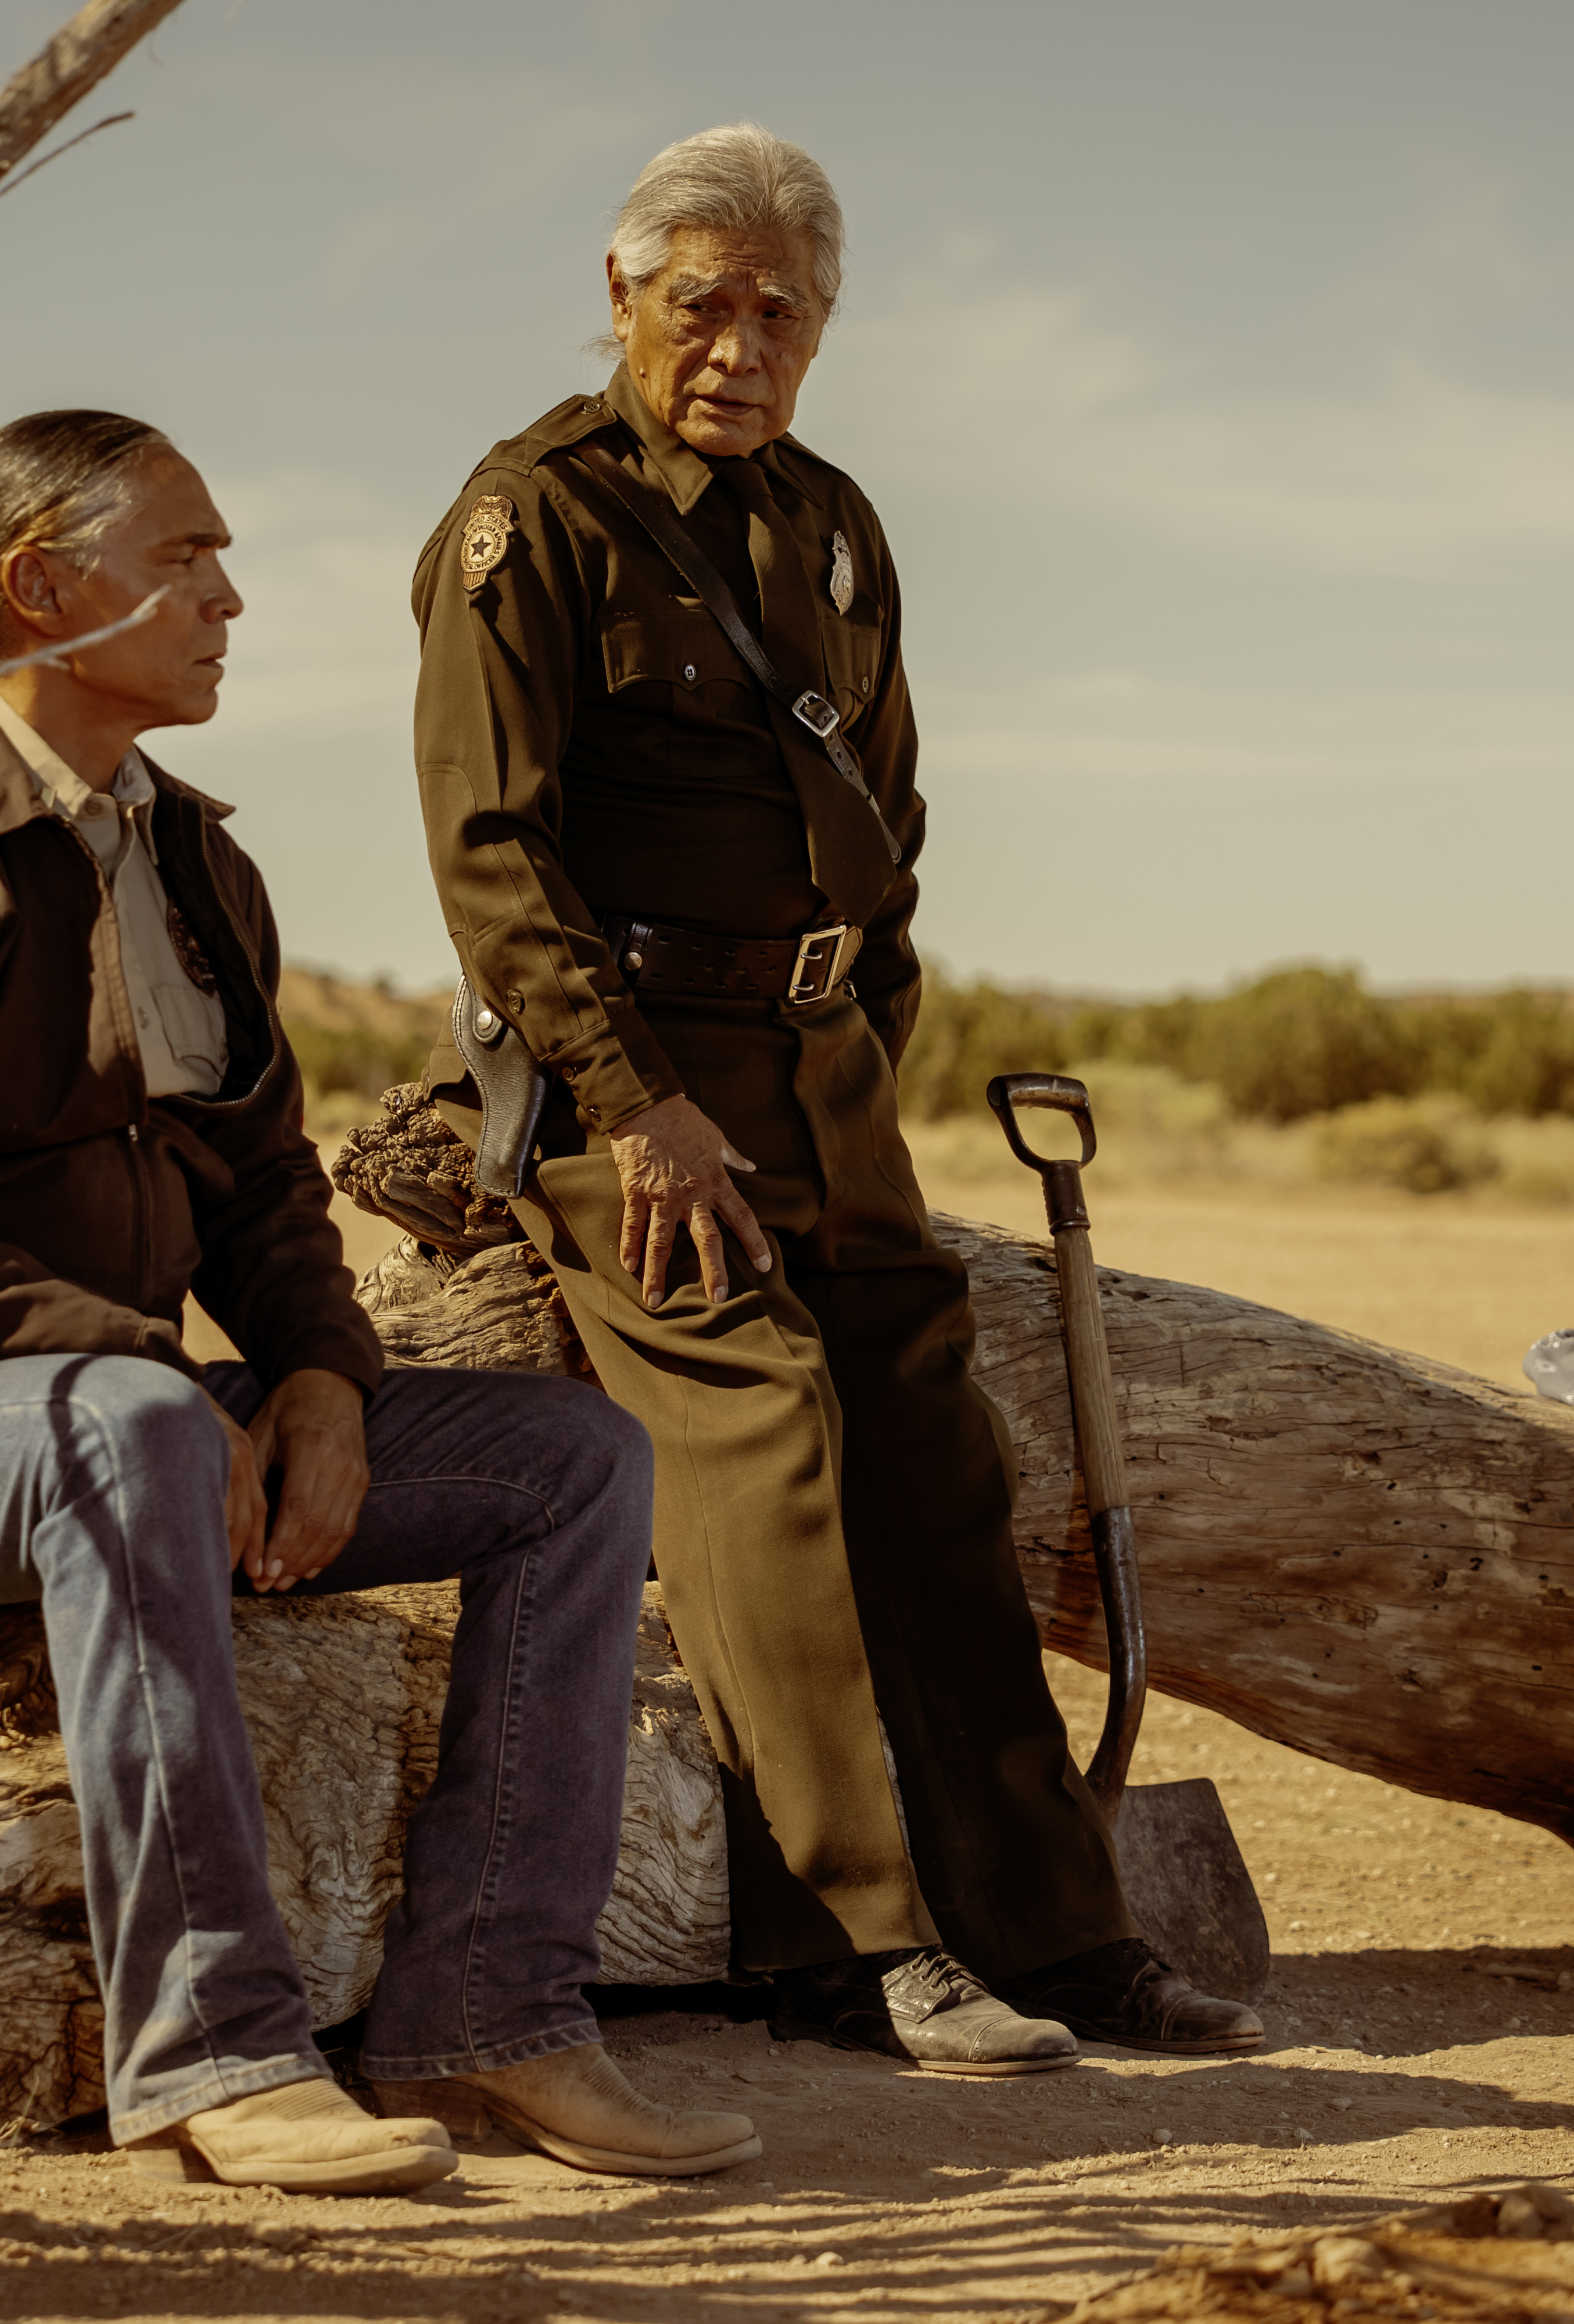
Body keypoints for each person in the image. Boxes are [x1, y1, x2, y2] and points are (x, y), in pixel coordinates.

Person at [0, 411, 758, 2189]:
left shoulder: (199, 865)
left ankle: (499, 2015)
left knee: (572, 1458)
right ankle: (216, 2057)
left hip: (121, 1413)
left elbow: (266, 1188)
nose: (231, 597)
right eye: (183, 558)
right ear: (41, 588)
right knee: (133, 1430)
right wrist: (159, 1375)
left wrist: (323, 1386)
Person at [407, 128, 1261, 2072]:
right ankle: (859, 1951)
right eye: (699, 299)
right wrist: (630, 1104)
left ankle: (1059, 1938)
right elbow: (488, 849)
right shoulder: (525, 519)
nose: (738, 340)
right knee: (763, 1448)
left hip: (824, 1077)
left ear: (823, 328)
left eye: (781, 308)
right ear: (620, 300)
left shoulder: (837, 522)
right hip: (637, 1084)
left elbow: (893, 828)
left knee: (936, 1470)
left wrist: (863, 1051)